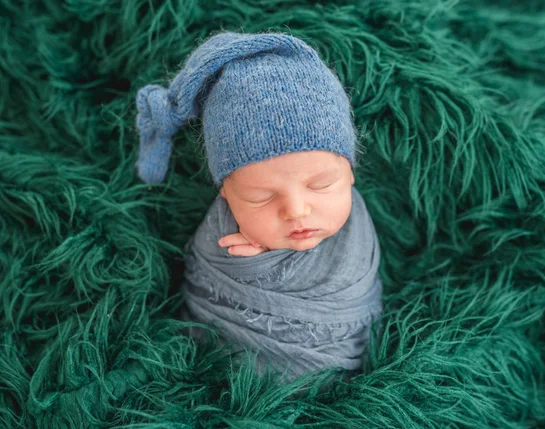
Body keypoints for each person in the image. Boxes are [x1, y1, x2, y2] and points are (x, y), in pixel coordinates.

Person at [135, 31, 382, 381]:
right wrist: (245, 267)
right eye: (260, 197)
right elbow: (203, 279)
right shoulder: (223, 235)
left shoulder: (357, 228)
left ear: (350, 173)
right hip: (234, 375)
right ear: (226, 195)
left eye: (321, 185)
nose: (296, 210)